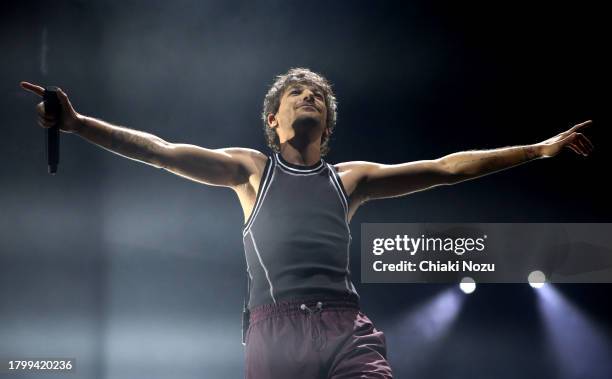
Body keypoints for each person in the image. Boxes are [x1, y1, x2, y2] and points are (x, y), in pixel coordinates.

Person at [20, 68, 593, 378]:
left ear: (327, 125)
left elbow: (443, 169)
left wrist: (537, 150)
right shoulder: (250, 172)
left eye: (317, 94)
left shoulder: (349, 180)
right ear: (274, 118)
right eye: (297, 93)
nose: (309, 97)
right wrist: (78, 124)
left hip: (346, 330)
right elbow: (162, 151)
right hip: (274, 335)